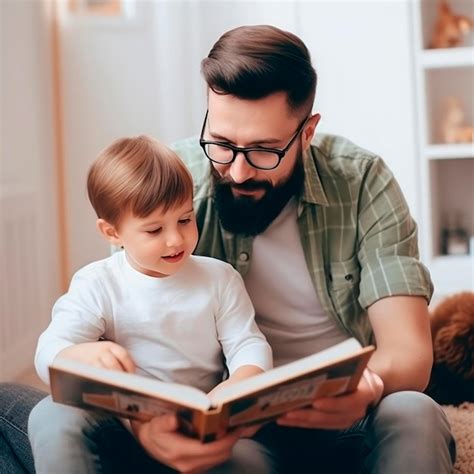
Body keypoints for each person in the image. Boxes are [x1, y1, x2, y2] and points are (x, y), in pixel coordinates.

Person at [0, 24, 455, 474]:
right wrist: (143, 426)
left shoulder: (362, 182)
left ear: (307, 131)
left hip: (344, 418)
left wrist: (366, 387)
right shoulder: (175, 181)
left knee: (414, 410)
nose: (237, 172)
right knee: (27, 411)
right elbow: (106, 332)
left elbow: (409, 353)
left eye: (263, 151)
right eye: (222, 143)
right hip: (230, 432)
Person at [26, 135, 273, 473]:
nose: (175, 239)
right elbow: (48, 350)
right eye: (154, 230)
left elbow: (248, 344)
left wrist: (241, 382)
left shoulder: (219, 279)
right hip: (122, 427)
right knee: (50, 415)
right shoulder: (99, 283)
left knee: (253, 461)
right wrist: (75, 355)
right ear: (112, 233)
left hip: (195, 433)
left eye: (185, 220)